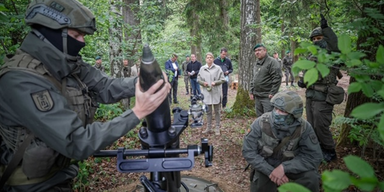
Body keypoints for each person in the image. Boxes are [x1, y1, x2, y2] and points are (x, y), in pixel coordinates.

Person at [0, 0, 170, 191]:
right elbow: (76, 141)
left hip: (60, 176)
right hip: (30, 186)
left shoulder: (67, 64)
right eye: (76, 35)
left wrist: (146, 81)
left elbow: (106, 87)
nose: (82, 41)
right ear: (53, 34)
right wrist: (137, 112)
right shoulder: (21, 80)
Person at [242, 91, 323, 192]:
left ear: (294, 114)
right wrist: (271, 171)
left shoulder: (304, 127)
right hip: (266, 165)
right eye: (276, 108)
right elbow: (248, 151)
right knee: (260, 185)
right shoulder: (261, 122)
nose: (277, 113)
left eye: (282, 111)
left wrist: (284, 168)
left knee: (311, 178)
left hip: (292, 165)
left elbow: (313, 156)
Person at [297, 14, 340, 162]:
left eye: (319, 38)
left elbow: (334, 43)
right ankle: (317, 149)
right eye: (314, 39)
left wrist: (326, 29)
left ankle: (330, 151)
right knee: (311, 125)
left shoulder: (332, 54)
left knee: (321, 126)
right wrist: (303, 81)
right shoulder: (311, 56)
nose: (316, 41)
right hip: (311, 96)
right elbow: (308, 73)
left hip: (324, 96)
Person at [249, 44, 282, 117]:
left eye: (259, 50)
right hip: (257, 96)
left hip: (267, 96)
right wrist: (251, 91)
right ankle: (261, 128)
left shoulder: (272, 62)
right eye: (255, 51)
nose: (257, 52)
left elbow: (277, 78)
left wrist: (273, 92)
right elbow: (254, 78)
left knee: (268, 117)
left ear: (265, 50)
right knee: (259, 117)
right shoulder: (257, 63)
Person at [198, 52, 226, 135]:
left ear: (213, 59)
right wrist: (203, 83)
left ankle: (217, 128)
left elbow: (223, 79)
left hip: (216, 93)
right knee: (208, 112)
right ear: (205, 59)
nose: (209, 59)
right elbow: (198, 79)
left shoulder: (218, 68)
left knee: (217, 111)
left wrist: (216, 82)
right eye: (207, 57)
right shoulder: (202, 68)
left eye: (211, 57)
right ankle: (209, 127)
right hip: (206, 93)